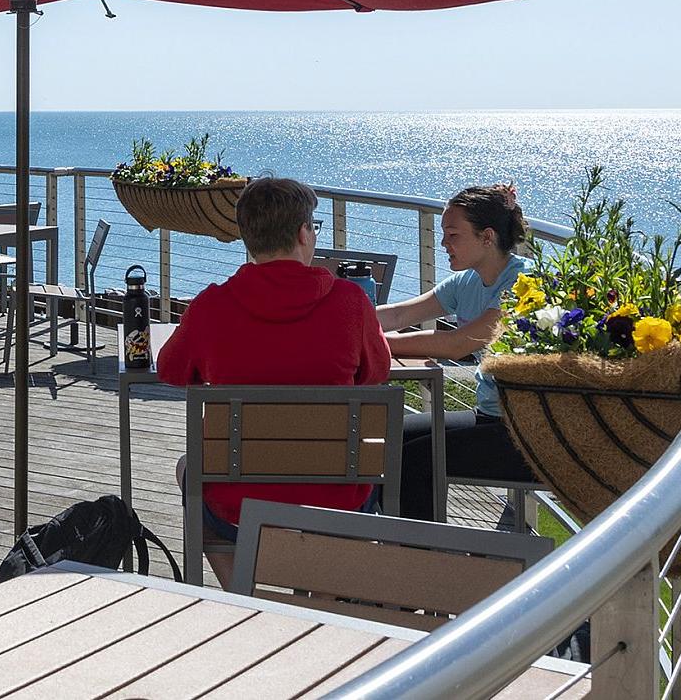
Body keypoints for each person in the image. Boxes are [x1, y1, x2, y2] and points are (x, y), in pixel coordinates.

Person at [158, 177, 391, 550]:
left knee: (190, 468)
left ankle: (244, 591)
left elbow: (170, 370)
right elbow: (377, 372)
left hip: (239, 507)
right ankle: (318, 596)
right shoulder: (351, 301)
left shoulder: (211, 307)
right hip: (338, 503)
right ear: (303, 233)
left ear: (248, 237)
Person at [375, 183, 535, 525]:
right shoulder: (468, 282)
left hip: (522, 433)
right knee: (390, 440)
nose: (444, 243)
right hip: (489, 418)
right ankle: (409, 548)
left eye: (453, 235)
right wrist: (342, 319)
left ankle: (421, 558)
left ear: (487, 237)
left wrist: (374, 342)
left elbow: (460, 343)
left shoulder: (523, 284)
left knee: (413, 460)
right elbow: (400, 315)